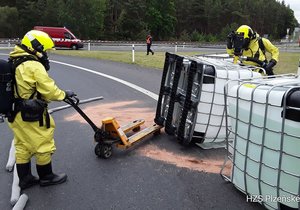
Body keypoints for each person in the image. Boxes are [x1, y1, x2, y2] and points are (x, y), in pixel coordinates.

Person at [8, 30, 76, 189]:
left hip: (15, 112)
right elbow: (49, 90)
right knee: (43, 142)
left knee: (22, 144)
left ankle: (25, 178)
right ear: (36, 46)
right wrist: (64, 94)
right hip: (31, 113)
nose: (45, 53)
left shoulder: (14, 60)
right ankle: (47, 176)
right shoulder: (33, 65)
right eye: (43, 49)